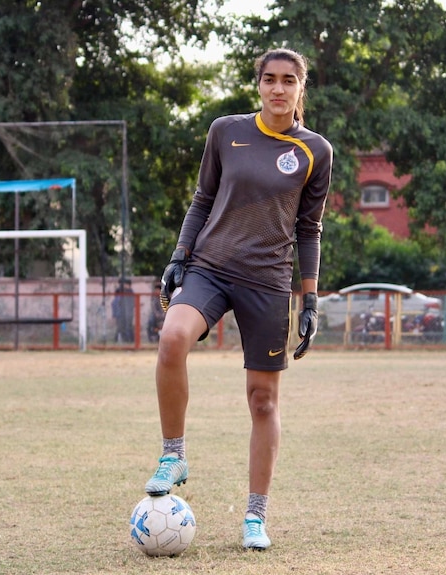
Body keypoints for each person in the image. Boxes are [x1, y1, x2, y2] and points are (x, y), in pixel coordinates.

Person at [144, 48, 333, 550]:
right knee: (172, 340)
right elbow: (202, 199)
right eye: (269, 79)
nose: (277, 88)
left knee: (263, 400)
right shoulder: (225, 131)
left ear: (300, 88)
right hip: (210, 266)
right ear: (258, 85)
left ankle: (255, 516)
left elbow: (309, 229)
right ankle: (173, 453)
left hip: (268, 281)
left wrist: (309, 300)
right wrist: (179, 256)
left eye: (287, 80)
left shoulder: (316, 151)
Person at [112, 278, 135, 343]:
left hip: (128, 313)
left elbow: (131, 303)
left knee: (128, 327)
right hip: (121, 313)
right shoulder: (119, 291)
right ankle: (119, 340)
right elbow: (116, 303)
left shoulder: (130, 292)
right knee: (120, 327)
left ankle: (130, 340)